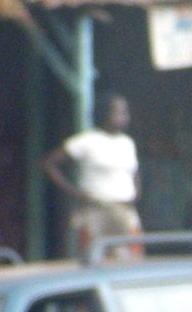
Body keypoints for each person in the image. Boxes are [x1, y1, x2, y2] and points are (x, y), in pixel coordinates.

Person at [43, 93, 141, 258]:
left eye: (125, 113)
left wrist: (137, 193)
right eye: (118, 112)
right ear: (104, 114)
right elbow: (49, 163)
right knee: (94, 261)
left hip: (125, 212)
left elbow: (134, 172)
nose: (124, 117)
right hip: (96, 212)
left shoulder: (128, 143)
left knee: (131, 262)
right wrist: (73, 192)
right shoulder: (86, 141)